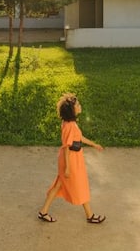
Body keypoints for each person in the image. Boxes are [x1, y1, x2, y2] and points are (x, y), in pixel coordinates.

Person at [38, 93, 105, 224]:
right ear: (72, 110)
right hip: (71, 161)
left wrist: (94, 144)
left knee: (59, 185)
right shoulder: (70, 126)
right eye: (77, 105)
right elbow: (67, 147)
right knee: (80, 185)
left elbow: (79, 138)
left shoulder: (69, 123)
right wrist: (68, 167)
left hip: (71, 159)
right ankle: (90, 215)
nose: (80, 106)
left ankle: (43, 212)